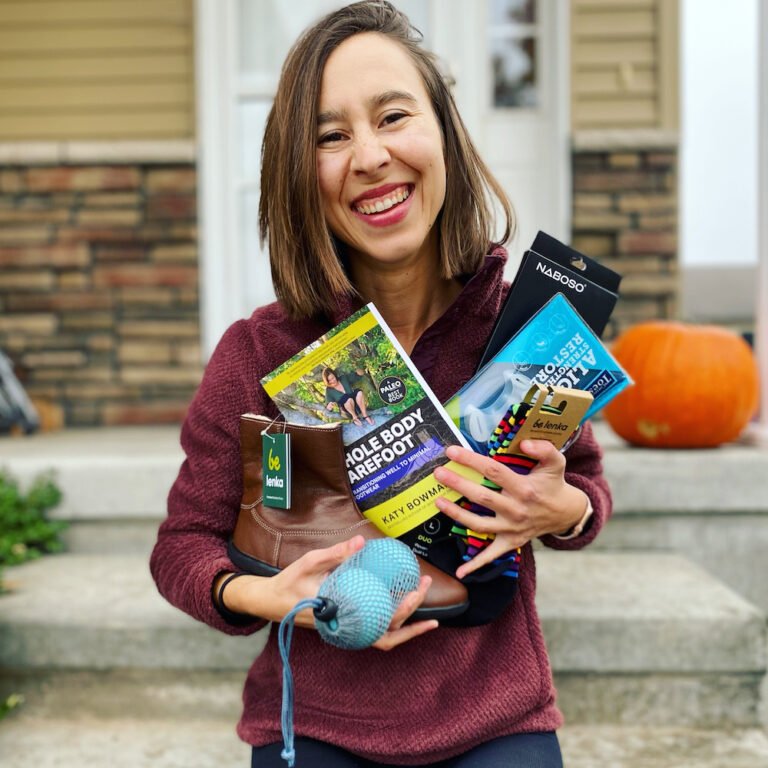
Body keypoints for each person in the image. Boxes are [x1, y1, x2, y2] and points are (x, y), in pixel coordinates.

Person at [150, 2, 612, 766]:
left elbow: (586, 495)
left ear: (445, 135)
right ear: (300, 175)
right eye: (331, 136)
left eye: (393, 116)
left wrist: (560, 509)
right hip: (319, 725)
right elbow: (184, 546)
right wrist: (260, 595)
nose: (369, 156)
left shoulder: (528, 335)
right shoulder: (259, 354)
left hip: (495, 715)